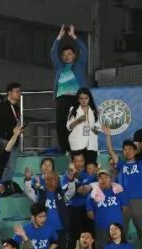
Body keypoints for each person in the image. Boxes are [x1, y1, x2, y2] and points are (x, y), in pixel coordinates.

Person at [51, 25, 88, 154]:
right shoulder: (59, 67)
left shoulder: (79, 65)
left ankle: (80, 147)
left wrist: (73, 36)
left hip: (77, 98)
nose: (66, 56)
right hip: (62, 98)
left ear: (74, 55)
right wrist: (59, 37)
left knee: (79, 123)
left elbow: (84, 50)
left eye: (69, 54)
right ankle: (65, 149)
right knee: (61, 124)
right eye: (64, 54)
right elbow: (53, 52)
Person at [66, 88, 101, 166]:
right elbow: (69, 126)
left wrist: (95, 129)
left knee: (90, 167)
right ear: (78, 99)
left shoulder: (94, 110)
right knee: (77, 168)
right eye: (81, 98)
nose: (83, 100)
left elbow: (97, 129)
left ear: (89, 98)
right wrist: (78, 121)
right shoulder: (73, 110)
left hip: (91, 144)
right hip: (77, 144)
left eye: (86, 98)